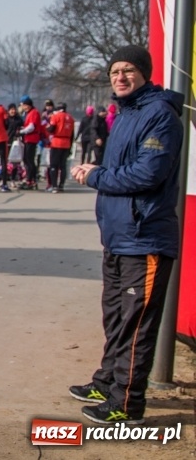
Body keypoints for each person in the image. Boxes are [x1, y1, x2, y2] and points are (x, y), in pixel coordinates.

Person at [69, 45, 183, 425]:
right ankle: (106, 382)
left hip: (145, 237)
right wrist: (98, 170)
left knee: (136, 327)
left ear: (144, 73)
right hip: (118, 237)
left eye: (128, 70)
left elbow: (148, 174)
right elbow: (122, 168)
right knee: (116, 318)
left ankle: (127, 403)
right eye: (115, 71)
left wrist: (97, 176)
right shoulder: (125, 113)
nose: (120, 77)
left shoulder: (160, 115)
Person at [46, 102, 75, 193]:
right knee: (63, 166)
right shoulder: (71, 118)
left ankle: (54, 186)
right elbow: (72, 134)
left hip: (57, 142)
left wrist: (47, 127)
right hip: (67, 143)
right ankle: (61, 185)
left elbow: (51, 129)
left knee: (53, 165)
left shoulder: (56, 116)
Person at [18, 95, 42, 190]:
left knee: (29, 159)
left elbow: (31, 127)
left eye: (23, 105)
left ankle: (30, 180)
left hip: (31, 139)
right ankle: (30, 179)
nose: (23, 107)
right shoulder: (29, 113)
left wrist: (21, 131)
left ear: (27, 105)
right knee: (27, 159)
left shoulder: (33, 113)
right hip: (28, 138)